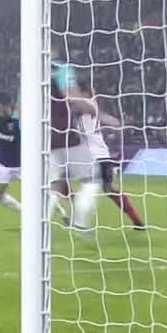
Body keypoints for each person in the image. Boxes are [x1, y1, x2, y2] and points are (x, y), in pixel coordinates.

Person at [76, 80, 145, 230]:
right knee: (108, 190)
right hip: (94, 155)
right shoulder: (88, 105)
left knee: (96, 188)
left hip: (96, 156)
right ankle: (137, 221)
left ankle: (79, 221)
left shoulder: (86, 104)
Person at [49, 77, 101, 235]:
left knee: (53, 187)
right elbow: (89, 109)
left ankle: (40, 225)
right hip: (71, 143)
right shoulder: (67, 97)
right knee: (93, 180)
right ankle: (80, 223)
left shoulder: (40, 100)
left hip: (50, 146)